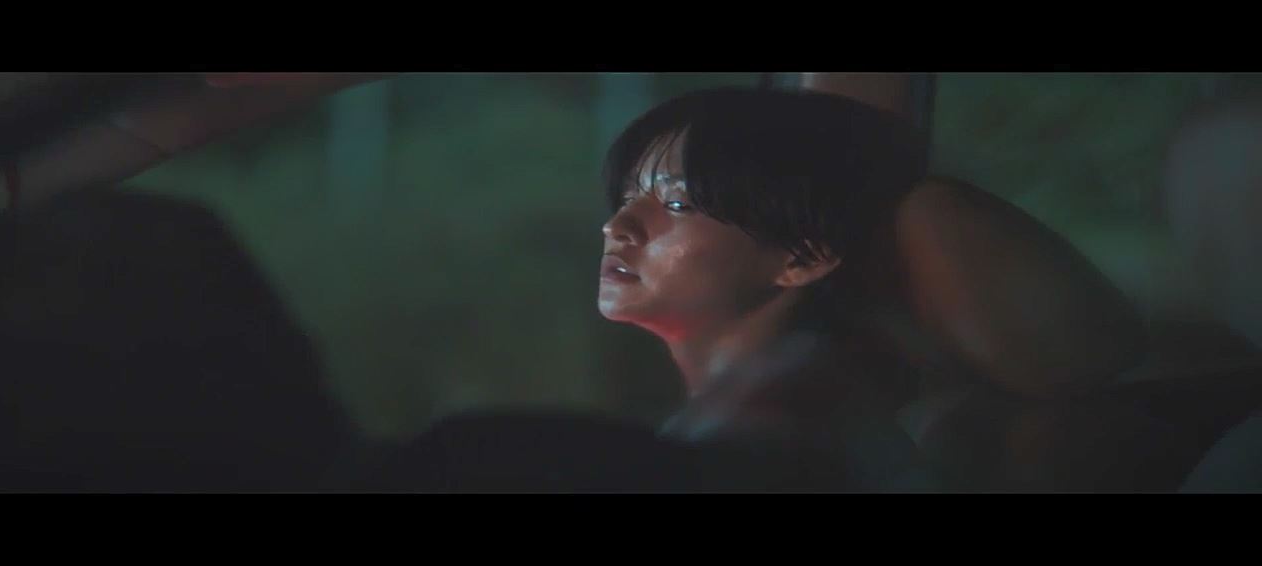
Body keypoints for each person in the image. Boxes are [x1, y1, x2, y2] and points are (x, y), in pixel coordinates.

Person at [361, 86, 937, 492]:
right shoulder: (763, 400)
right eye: (629, 196)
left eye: (678, 204)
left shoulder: (789, 423)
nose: (617, 226)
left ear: (802, 258)